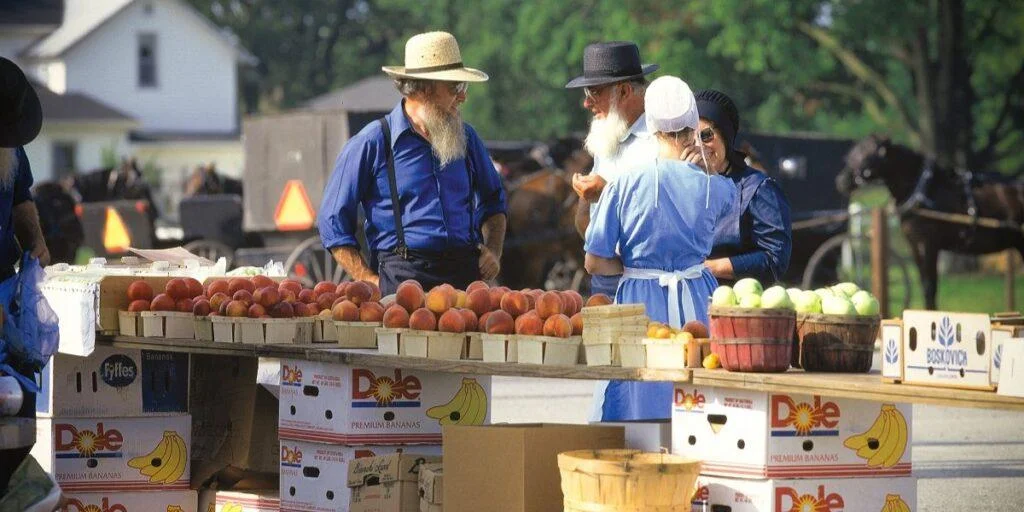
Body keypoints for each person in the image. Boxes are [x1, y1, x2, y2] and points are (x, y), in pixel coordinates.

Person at [585, 76, 737, 421]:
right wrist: (708, 170)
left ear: (651, 126)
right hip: (699, 298)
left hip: (640, 303)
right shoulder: (717, 188)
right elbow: (730, 201)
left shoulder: (624, 184)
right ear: (691, 126)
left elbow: (594, 262)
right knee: (700, 393)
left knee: (639, 396)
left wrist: (631, 267)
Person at [318, 32, 507, 295]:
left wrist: (494, 252)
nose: (463, 97)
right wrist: (369, 280)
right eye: (455, 88)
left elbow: (493, 200)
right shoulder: (373, 142)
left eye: (464, 87)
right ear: (423, 88)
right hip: (402, 280)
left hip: (464, 277)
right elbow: (332, 221)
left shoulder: (467, 138)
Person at [565, 41, 659, 297]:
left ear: (625, 91)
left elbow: (662, 216)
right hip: (606, 278)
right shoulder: (608, 136)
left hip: (647, 283)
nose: (587, 103)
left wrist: (606, 193)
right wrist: (585, 203)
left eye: (593, 92)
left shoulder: (659, 141)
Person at [683, 89, 792, 285]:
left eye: (706, 136)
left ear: (725, 136)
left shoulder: (759, 188)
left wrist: (711, 268)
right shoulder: (679, 187)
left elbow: (775, 258)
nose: (699, 145)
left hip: (736, 302)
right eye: (691, 138)